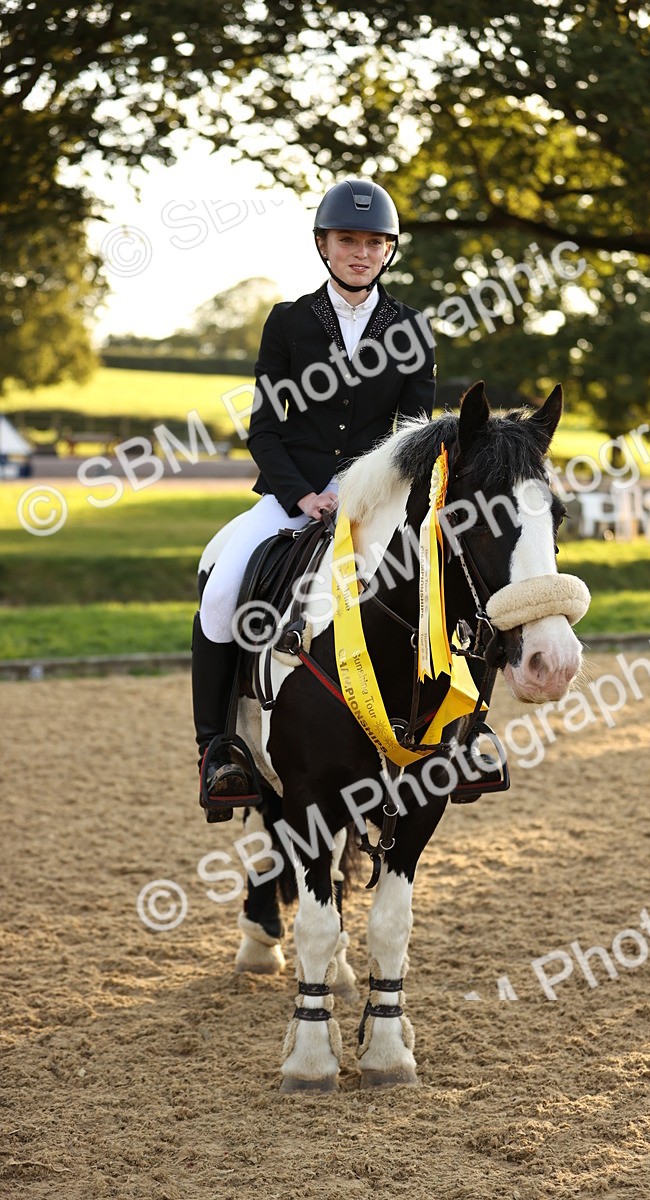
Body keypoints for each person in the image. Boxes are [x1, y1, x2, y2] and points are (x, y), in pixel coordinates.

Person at [192, 178, 436, 799]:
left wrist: (363, 497)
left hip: (375, 503)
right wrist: (302, 496)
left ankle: (464, 730)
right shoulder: (288, 323)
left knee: (443, 577)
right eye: (347, 240)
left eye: (374, 242)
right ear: (323, 246)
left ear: (389, 251)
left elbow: (415, 435)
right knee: (222, 591)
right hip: (290, 497)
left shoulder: (413, 329)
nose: (360, 252)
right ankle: (219, 750)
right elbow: (265, 428)